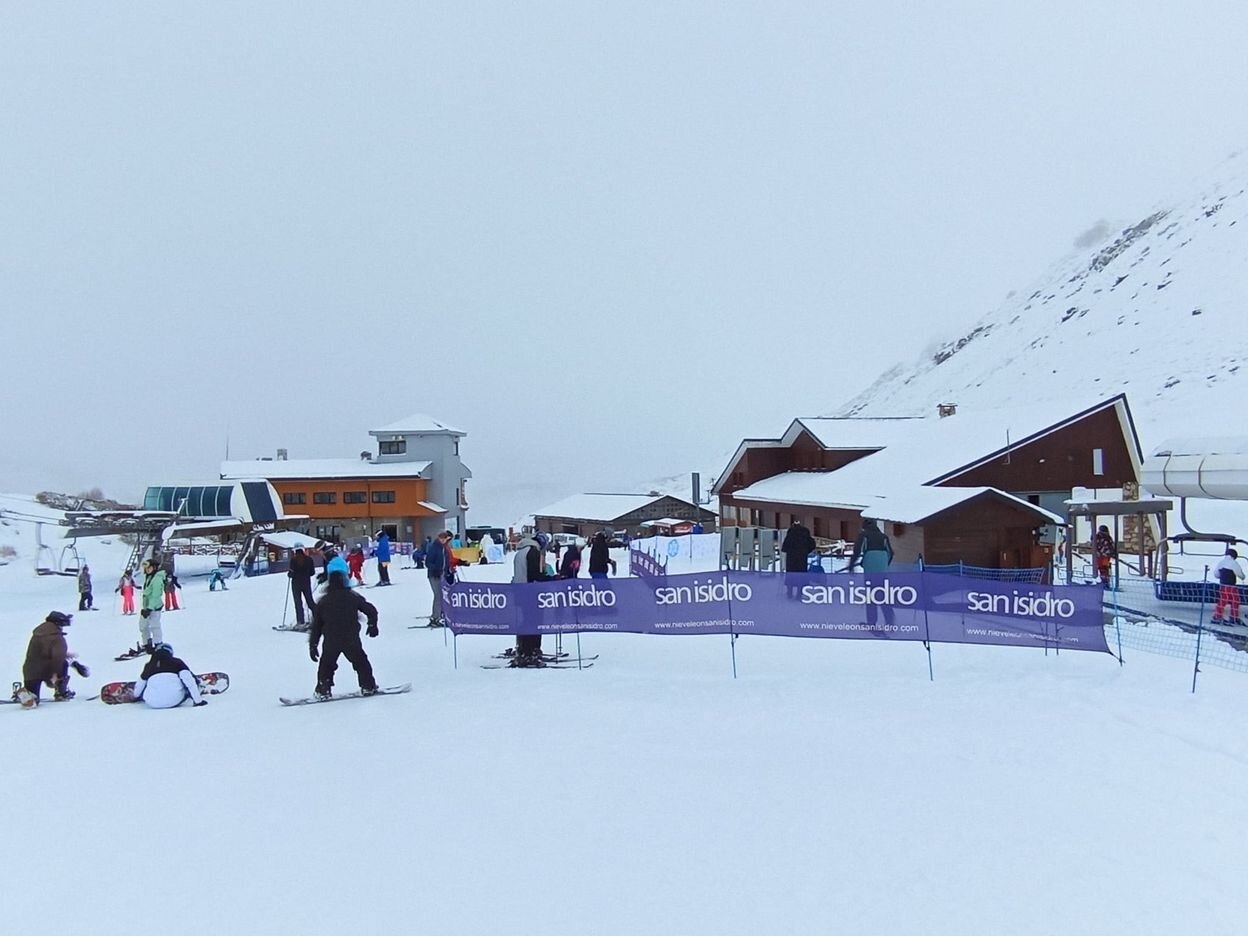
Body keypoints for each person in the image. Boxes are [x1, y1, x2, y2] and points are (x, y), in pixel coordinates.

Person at [309, 570, 380, 699]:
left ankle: (323, 690)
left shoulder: (323, 601)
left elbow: (316, 626)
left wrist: (313, 644)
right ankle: (368, 686)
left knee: (326, 665)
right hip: (350, 638)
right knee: (361, 662)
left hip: (331, 639)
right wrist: (372, 625)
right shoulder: (352, 597)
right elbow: (371, 610)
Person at [17, 611, 87, 705]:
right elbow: (57, 659)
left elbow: (42, 652)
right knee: (63, 664)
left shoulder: (37, 634)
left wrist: (65, 654)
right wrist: (54, 674)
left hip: (30, 671)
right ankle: (61, 692)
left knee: (33, 697)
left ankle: (29, 695)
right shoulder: (57, 638)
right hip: (46, 671)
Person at [512, 531, 554, 665]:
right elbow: (534, 574)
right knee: (534, 622)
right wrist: (549, 579)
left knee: (525, 621)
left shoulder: (521, 552)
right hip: (531, 593)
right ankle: (531, 651)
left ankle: (523, 649)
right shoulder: (533, 552)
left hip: (520, 592)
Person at [848, 518, 895, 629]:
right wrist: (885, 565)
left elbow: (857, 552)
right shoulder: (884, 537)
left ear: (864, 526)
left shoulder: (863, 535)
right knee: (883, 596)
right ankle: (890, 622)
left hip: (870, 570)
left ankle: (872, 623)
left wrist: (851, 566)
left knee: (871, 596)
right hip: (883, 571)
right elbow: (891, 553)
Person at [132, 643, 206, 708]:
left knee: (147, 683)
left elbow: (140, 683)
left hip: (152, 702)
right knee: (183, 682)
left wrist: (135, 696)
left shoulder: (149, 665)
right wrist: (198, 701)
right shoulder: (177, 663)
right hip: (175, 699)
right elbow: (189, 680)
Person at [781, 518, 816, 597]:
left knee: (791, 575)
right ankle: (799, 594)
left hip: (791, 558)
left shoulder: (790, 532)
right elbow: (812, 544)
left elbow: (785, 546)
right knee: (801, 575)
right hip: (802, 558)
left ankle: (790, 593)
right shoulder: (805, 531)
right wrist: (806, 551)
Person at [138, 558, 167, 653]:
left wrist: (150, 608)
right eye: (146, 568)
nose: (147, 570)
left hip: (154, 607)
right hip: (147, 606)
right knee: (143, 626)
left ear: (154, 568)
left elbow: (156, 595)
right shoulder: (149, 577)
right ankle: (147, 644)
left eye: (149, 568)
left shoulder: (157, 579)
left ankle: (158, 644)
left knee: (154, 625)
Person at [424, 530, 452, 626]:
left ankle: (440, 614)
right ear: (439, 538)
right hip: (434, 575)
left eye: (445, 538)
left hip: (442, 575)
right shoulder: (434, 547)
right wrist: (435, 569)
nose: (443, 540)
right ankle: (435, 617)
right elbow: (428, 562)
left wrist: (448, 571)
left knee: (442, 595)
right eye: (442, 538)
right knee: (438, 595)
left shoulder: (444, 548)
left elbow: (446, 561)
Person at [1211, 548, 1246, 626]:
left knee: (1223, 600)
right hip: (1231, 585)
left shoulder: (1221, 562)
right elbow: (1239, 573)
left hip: (1223, 585)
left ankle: (1218, 616)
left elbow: (1216, 574)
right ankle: (1233, 617)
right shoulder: (1233, 563)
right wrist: (1243, 577)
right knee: (1235, 600)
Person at [288, 546, 317, 630]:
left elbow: (291, 573)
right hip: (306, 583)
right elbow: (312, 572)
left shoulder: (293, 560)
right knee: (310, 601)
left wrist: (290, 574)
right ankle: (318, 619)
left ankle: (300, 621)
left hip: (296, 584)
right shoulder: (309, 559)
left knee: (298, 603)